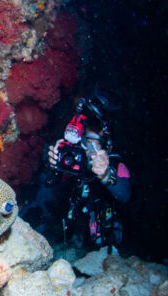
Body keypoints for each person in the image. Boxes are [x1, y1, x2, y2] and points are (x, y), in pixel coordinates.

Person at [46, 93, 131, 251]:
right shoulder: (78, 160)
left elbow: (124, 194)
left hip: (107, 246)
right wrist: (57, 163)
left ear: (108, 146)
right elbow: (53, 183)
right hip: (75, 240)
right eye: (86, 142)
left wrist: (106, 175)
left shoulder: (117, 166)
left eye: (95, 144)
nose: (90, 151)